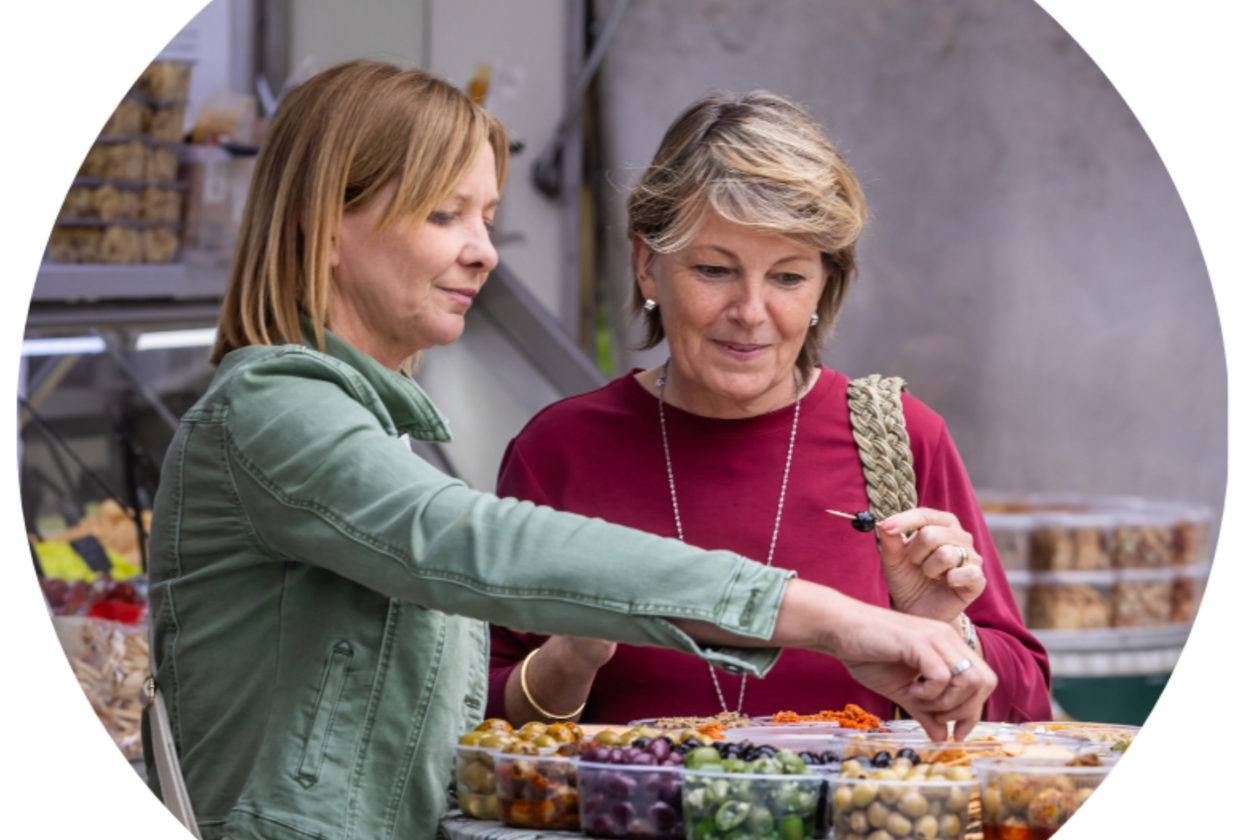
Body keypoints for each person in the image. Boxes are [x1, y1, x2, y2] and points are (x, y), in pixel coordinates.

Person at [140, 63, 994, 840]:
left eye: (487, 216)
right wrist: (837, 618)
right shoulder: (272, 411)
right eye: (445, 214)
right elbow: (467, 543)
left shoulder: (367, 420)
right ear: (324, 228)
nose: (482, 249)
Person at [488, 91, 1049, 728]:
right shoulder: (559, 449)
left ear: (824, 284)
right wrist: (569, 658)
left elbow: (1027, 705)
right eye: (713, 269)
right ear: (648, 267)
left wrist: (941, 630)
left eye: (787, 277)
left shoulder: (899, 438)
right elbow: (464, 715)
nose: (751, 312)